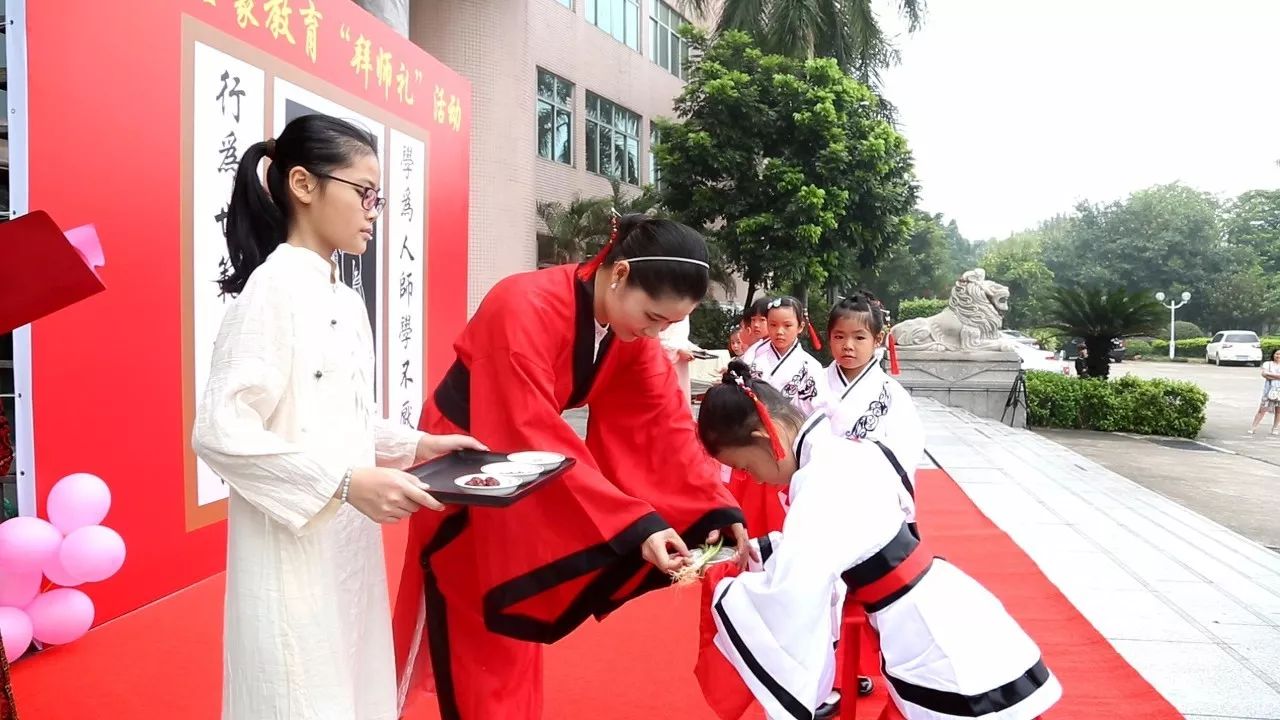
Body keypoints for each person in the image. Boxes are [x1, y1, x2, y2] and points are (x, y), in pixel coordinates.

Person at [391, 214, 749, 720]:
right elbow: (526, 424)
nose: (656, 332)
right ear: (620, 273)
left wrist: (712, 507)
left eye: (668, 325)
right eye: (653, 317)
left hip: (522, 459)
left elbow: (660, 423)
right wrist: (631, 522)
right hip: (467, 460)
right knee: (478, 609)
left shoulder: (630, 335)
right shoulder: (523, 303)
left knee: (513, 631)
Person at [191, 114, 485, 720]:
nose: (375, 210)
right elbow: (220, 431)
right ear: (304, 184)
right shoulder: (271, 290)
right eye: (365, 192)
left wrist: (419, 445)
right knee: (300, 692)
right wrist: (344, 482)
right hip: (290, 550)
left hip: (348, 544)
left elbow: (343, 415)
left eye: (380, 196)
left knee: (354, 683)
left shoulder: (345, 298)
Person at [696, 363, 1063, 720]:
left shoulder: (820, 479)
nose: (754, 479)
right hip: (933, 600)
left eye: (745, 467)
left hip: (921, 624)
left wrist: (725, 590)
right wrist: (762, 551)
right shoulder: (841, 451)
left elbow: (794, 588)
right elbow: (843, 541)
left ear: (765, 437)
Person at [824, 291, 924, 535]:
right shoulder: (814, 383)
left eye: (859, 337)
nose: (847, 345)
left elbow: (906, 449)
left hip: (870, 496)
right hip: (820, 490)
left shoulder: (891, 394)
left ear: (877, 339)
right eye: (839, 336)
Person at [660, 315, 701, 409]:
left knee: (680, 400)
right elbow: (656, 338)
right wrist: (677, 350)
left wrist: (697, 351)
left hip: (681, 364)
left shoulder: (685, 312)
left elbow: (682, 339)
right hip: (667, 363)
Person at [1249, 348, 1280, 435]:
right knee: (1262, 410)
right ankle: (1253, 427)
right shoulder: (1268, 364)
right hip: (1268, 390)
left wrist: (1270, 375)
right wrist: (1277, 376)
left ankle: (1275, 428)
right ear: (1273, 355)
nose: (1278, 356)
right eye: (1276, 354)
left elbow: (1268, 375)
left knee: (1278, 411)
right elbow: (1264, 374)